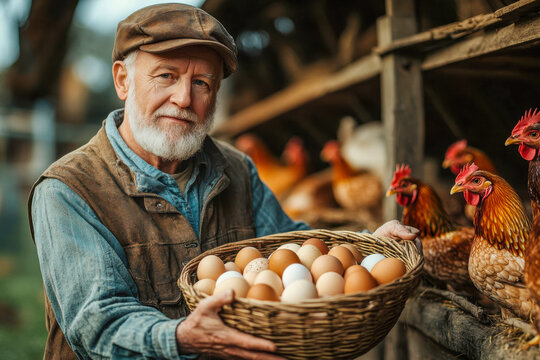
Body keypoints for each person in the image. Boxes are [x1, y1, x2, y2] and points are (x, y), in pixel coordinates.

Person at [29, 3, 419, 360]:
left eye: (202, 83)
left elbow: (296, 251)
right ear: (123, 81)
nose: (184, 98)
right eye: (166, 76)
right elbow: (98, 324)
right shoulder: (70, 190)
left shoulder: (235, 169)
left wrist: (368, 250)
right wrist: (182, 336)